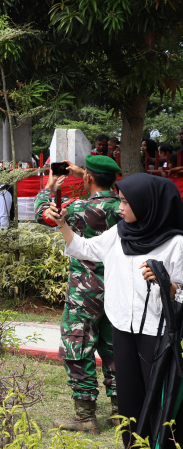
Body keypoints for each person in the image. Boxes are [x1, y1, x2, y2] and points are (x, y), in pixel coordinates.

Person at [49, 174, 183, 447]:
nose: (120, 208)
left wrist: (166, 283)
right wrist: (62, 224)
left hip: (157, 333)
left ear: (146, 204)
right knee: (129, 397)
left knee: (158, 396)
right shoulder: (119, 233)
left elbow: (181, 292)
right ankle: (132, 443)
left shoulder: (175, 243)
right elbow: (84, 248)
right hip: (122, 328)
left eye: (125, 202)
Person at [35, 156, 122, 433]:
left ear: (88, 178)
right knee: (115, 348)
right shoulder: (125, 208)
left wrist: (48, 187)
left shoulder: (77, 208)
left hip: (85, 292)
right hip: (118, 289)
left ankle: (86, 417)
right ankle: (122, 413)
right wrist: (83, 172)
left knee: (78, 346)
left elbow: (43, 214)